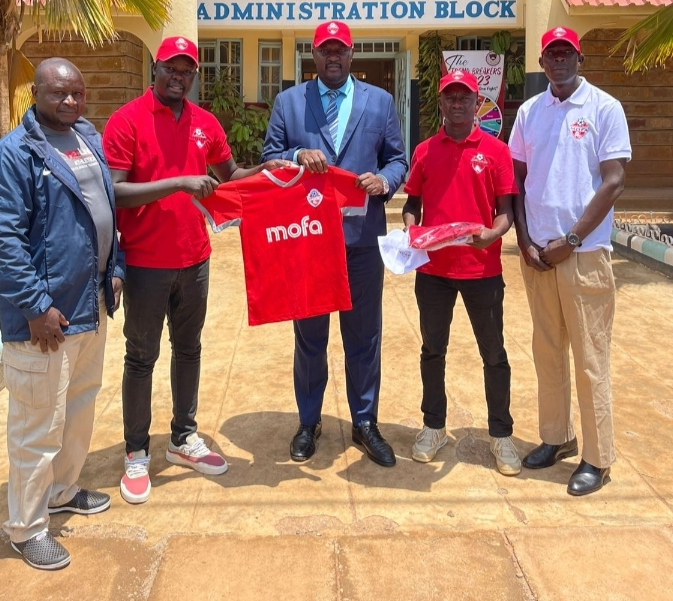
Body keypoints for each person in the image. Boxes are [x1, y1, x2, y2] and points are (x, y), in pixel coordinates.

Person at [103, 36, 286, 504]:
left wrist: (273, 169)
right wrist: (178, 183)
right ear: (155, 69)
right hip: (145, 262)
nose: (180, 77)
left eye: (188, 70)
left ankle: (183, 438)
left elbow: (231, 177)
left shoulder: (205, 123)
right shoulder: (127, 121)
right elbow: (115, 192)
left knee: (189, 350)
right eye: (172, 68)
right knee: (141, 358)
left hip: (195, 258)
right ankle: (136, 452)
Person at [0, 58, 124, 570]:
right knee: (37, 423)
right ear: (35, 94)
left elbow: (104, 208)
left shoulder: (88, 138)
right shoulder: (13, 154)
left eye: (78, 93)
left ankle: (62, 491)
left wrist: (117, 266)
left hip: (89, 309)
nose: (70, 102)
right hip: (46, 319)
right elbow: (3, 239)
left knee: (79, 406)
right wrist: (37, 306)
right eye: (59, 94)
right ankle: (27, 527)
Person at [261, 21, 408, 467]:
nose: (332, 57)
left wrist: (384, 181)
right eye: (325, 50)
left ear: (351, 54)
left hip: (363, 241)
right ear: (314, 55)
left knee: (363, 335)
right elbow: (270, 158)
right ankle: (309, 421)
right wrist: (293, 156)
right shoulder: (289, 102)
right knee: (310, 336)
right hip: (308, 241)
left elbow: (398, 158)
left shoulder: (379, 102)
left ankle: (365, 422)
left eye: (339, 50)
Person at [509, 26, 631, 496]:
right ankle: (556, 438)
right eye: (550, 54)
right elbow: (517, 182)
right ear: (542, 62)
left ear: (578, 57)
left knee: (590, 359)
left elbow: (613, 181)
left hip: (584, 255)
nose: (558, 61)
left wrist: (572, 239)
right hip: (537, 256)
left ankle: (597, 459)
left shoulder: (604, 108)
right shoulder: (529, 111)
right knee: (547, 352)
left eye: (566, 53)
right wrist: (524, 240)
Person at [402, 70, 520, 476]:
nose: (457, 104)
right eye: (450, 97)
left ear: (477, 103)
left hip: (482, 268)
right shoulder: (425, 151)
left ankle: (501, 434)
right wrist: (410, 228)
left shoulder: (496, 151)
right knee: (433, 350)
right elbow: (412, 202)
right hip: (434, 269)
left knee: (494, 354)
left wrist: (493, 234)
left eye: (464, 97)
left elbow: (506, 211)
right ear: (441, 103)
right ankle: (433, 426)